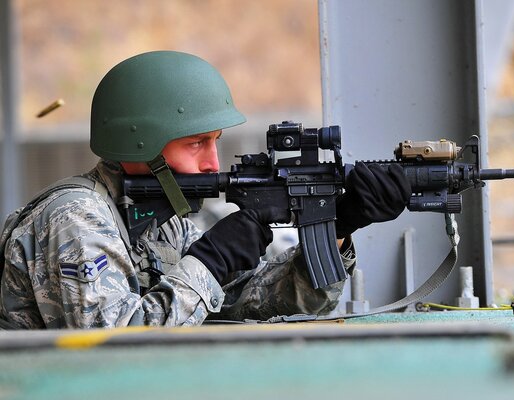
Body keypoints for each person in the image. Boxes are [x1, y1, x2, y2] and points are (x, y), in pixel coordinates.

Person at [0, 51, 411, 329]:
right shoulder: (75, 218)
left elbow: (251, 302)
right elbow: (115, 348)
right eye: (196, 143)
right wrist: (209, 263)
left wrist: (339, 228)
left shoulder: (162, 222)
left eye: (214, 142)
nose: (213, 163)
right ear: (140, 143)